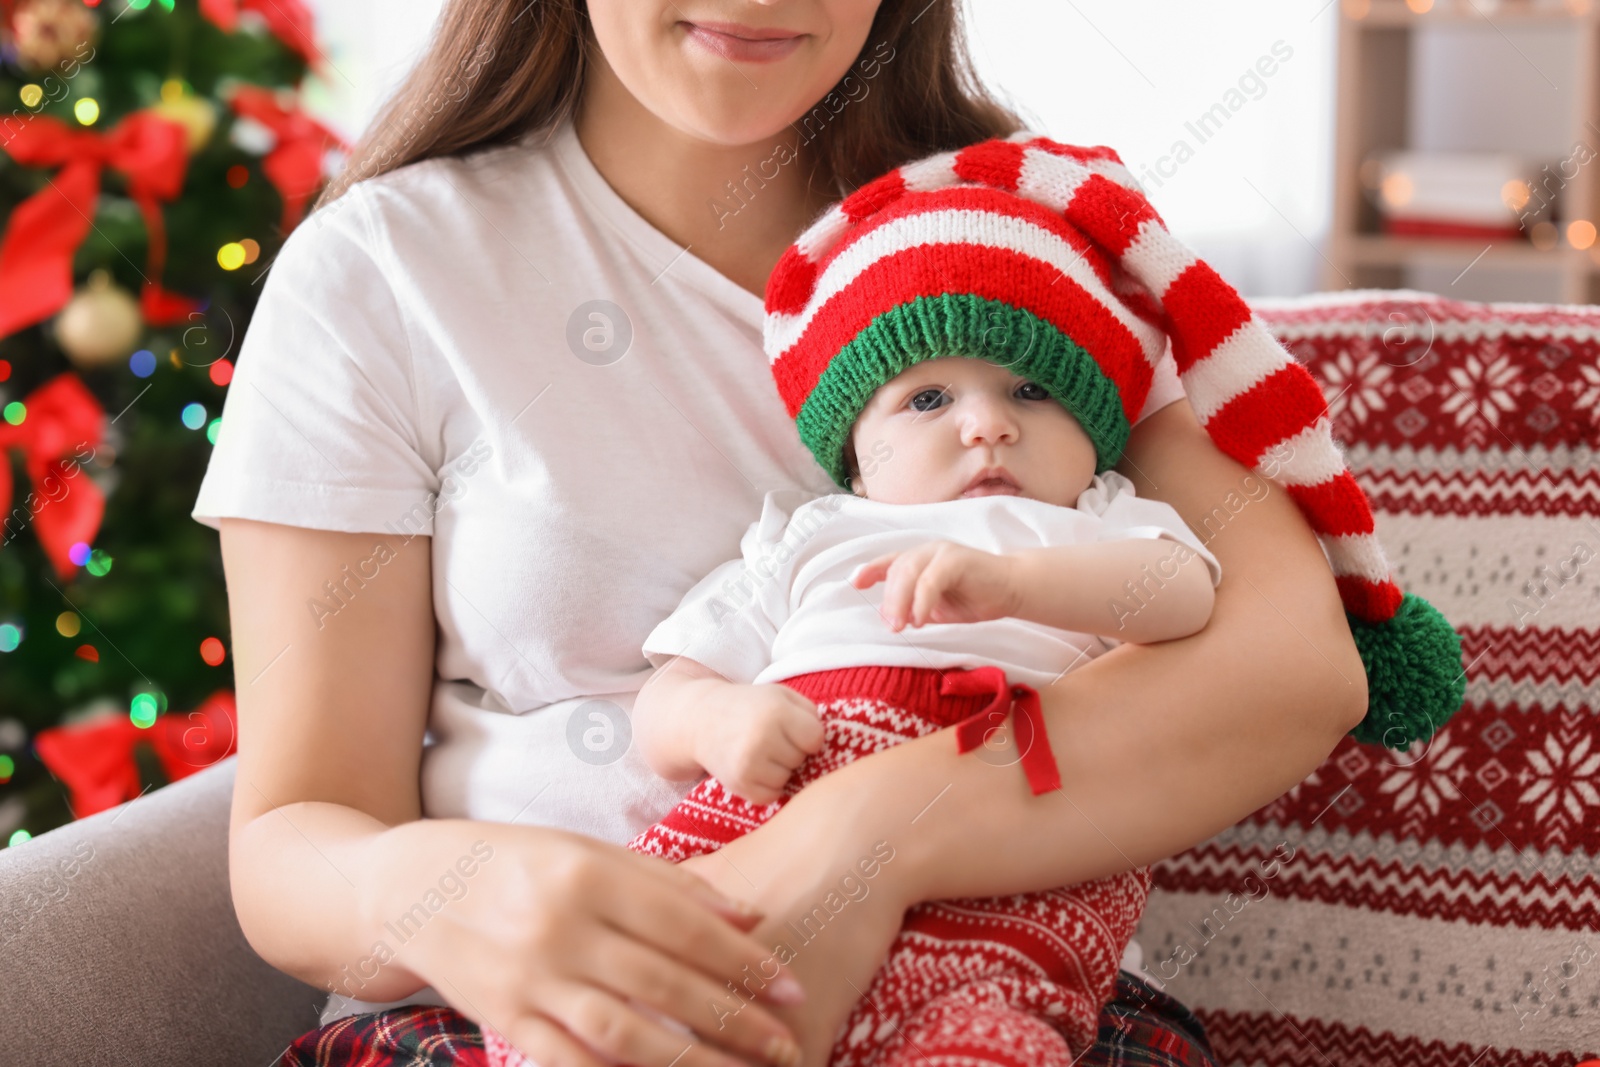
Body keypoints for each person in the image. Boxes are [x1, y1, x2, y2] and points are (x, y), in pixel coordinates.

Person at [193, 2, 1412, 1066]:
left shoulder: (1016, 228)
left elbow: (1292, 665)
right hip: (532, 1009)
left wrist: (857, 844)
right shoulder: (383, 268)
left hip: (995, 979)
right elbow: (296, 834)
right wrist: (455, 895)